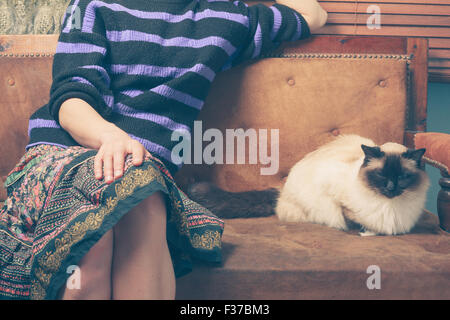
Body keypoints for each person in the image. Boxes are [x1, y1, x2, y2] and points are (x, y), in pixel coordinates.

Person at [0, 0, 327, 300]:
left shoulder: (227, 17)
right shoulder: (94, 5)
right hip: (65, 155)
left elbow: (313, 16)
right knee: (98, 228)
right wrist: (111, 137)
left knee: (140, 194)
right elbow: (71, 99)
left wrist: (129, 155)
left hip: (143, 175)